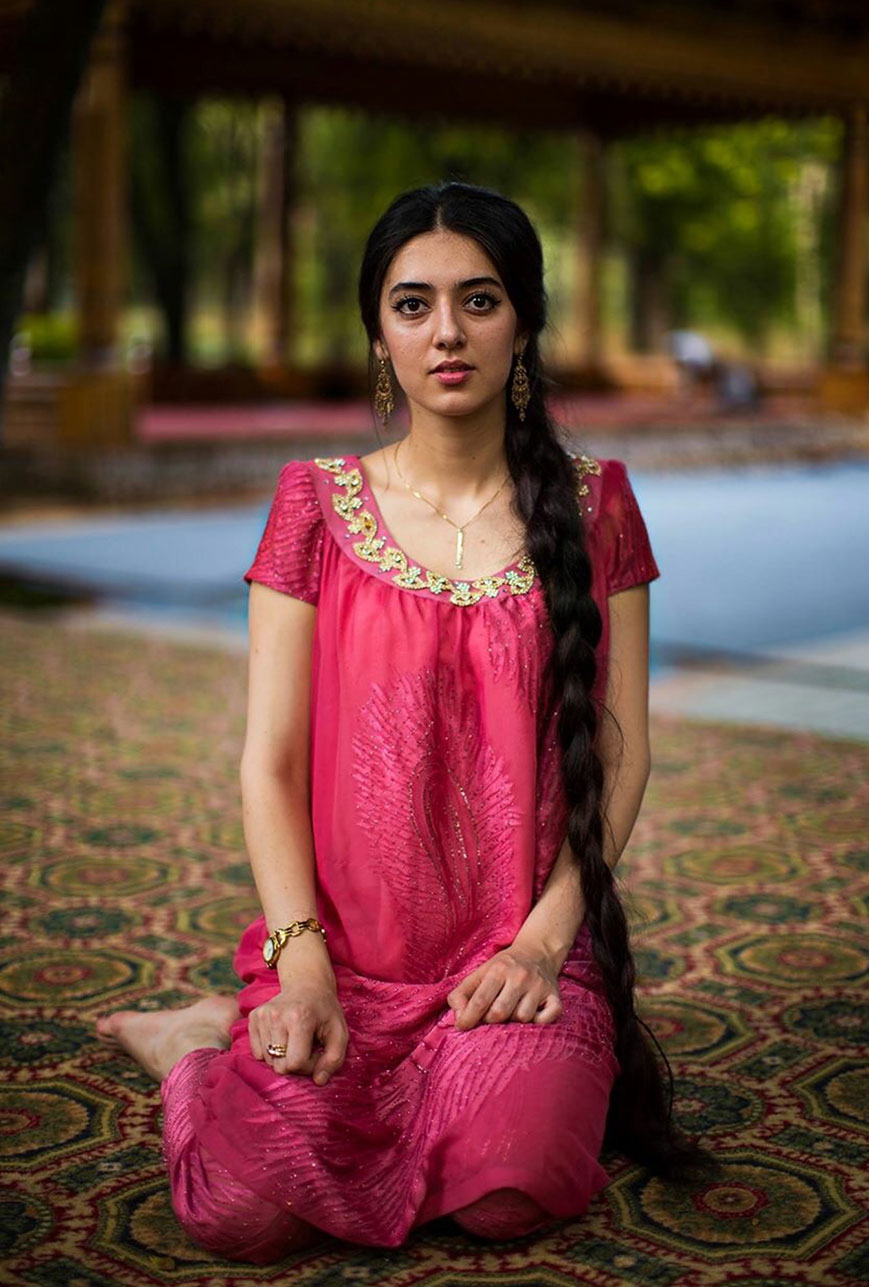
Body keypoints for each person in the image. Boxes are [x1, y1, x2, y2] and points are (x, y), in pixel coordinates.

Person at [97, 181, 697, 1261]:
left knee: (514, 1193)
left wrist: (544, 943)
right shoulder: (313, 503)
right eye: (412, 304)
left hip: (512, 955)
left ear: (525, 321)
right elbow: (269, 763)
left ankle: (528, 1068)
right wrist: (304, 966)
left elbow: (623, 746)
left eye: (479, 300)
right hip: (347, 959)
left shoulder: (597, 497)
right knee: (242, 1212)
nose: (447, 332)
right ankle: (197, 1043)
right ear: (379, 330)